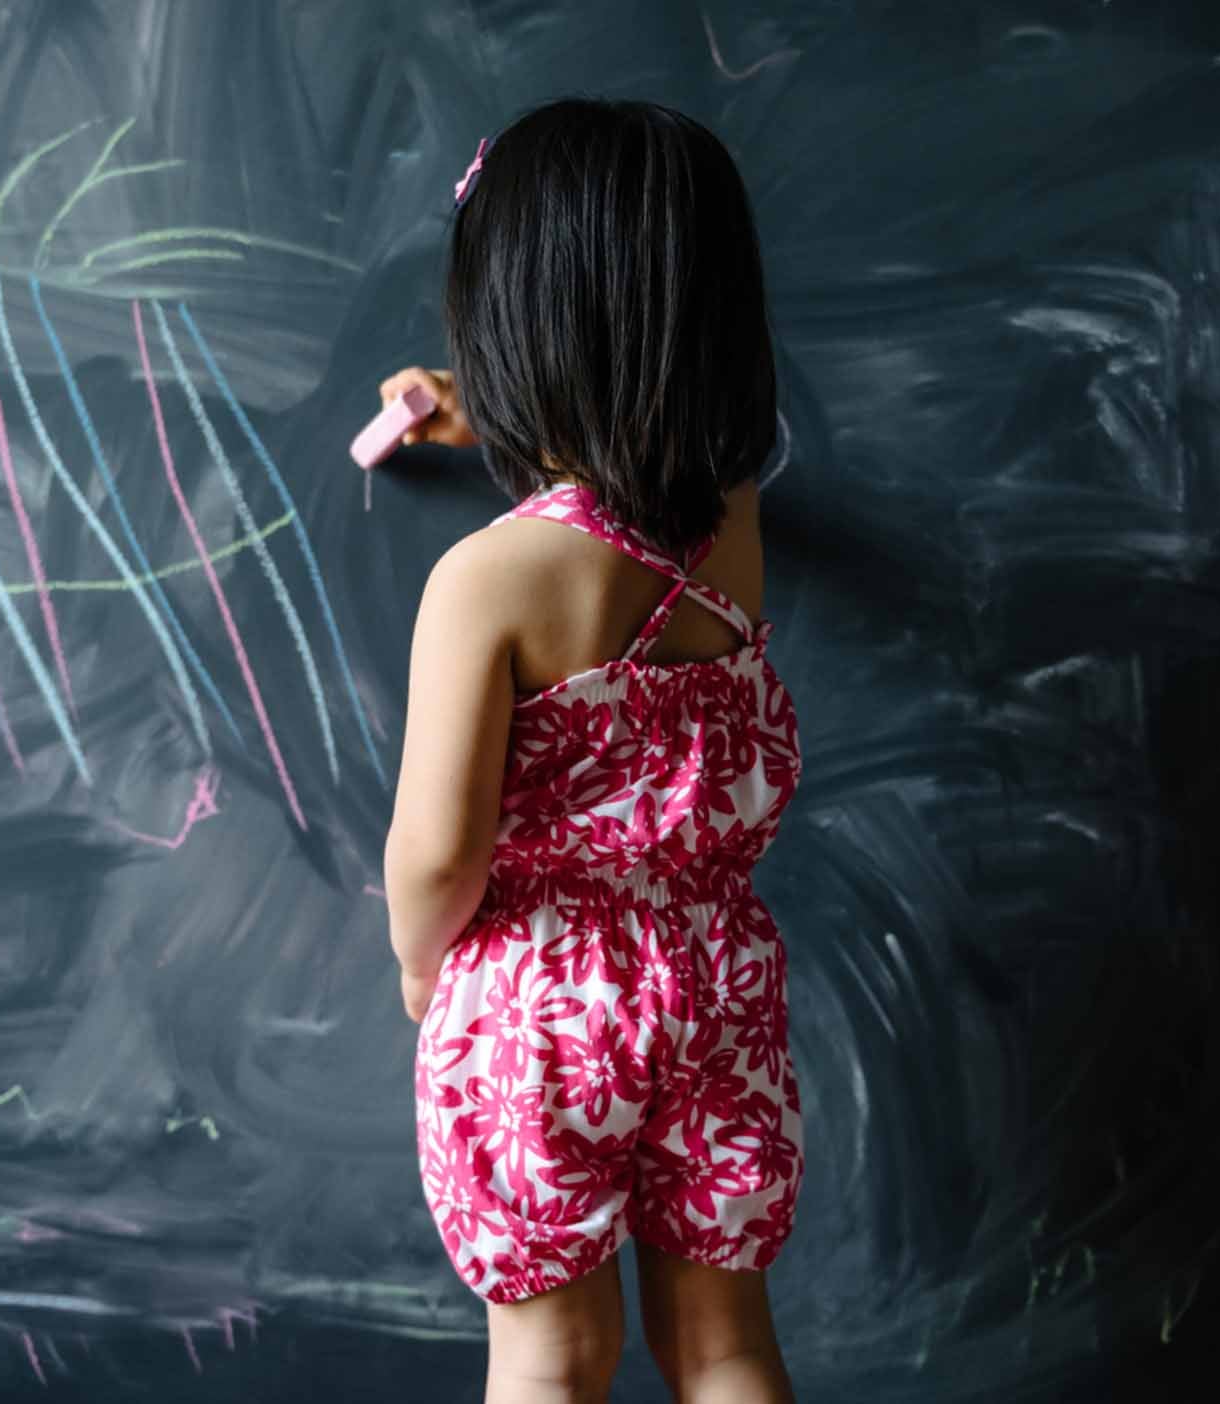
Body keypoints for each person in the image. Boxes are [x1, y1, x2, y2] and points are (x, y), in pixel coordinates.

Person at [378, 98, 803, 1404]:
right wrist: (513, 435)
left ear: (507, 325)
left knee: (555, 1359)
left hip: (537, 1007)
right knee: (723, 1343)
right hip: (716, 983)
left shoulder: (485, 582)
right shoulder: (732, 538)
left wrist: (419, 968)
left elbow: (440, 850)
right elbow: (630, 515)